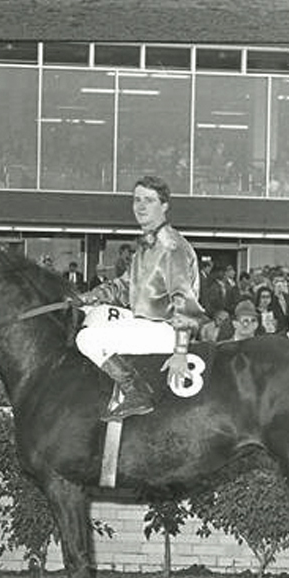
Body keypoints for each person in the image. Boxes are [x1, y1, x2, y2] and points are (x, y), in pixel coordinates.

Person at [75, 175, 204, 420]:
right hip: (145, 322)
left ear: (164, 206)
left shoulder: (172, 246)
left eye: (149, 200)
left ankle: (136, 392)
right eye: (137, 200)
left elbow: (185, 302)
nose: (141, 206)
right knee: (94, 317)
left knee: (86, 339)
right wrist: (86, 298)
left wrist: (180, 351)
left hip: (164, 331)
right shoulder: (147, 245)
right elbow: (124, 286)